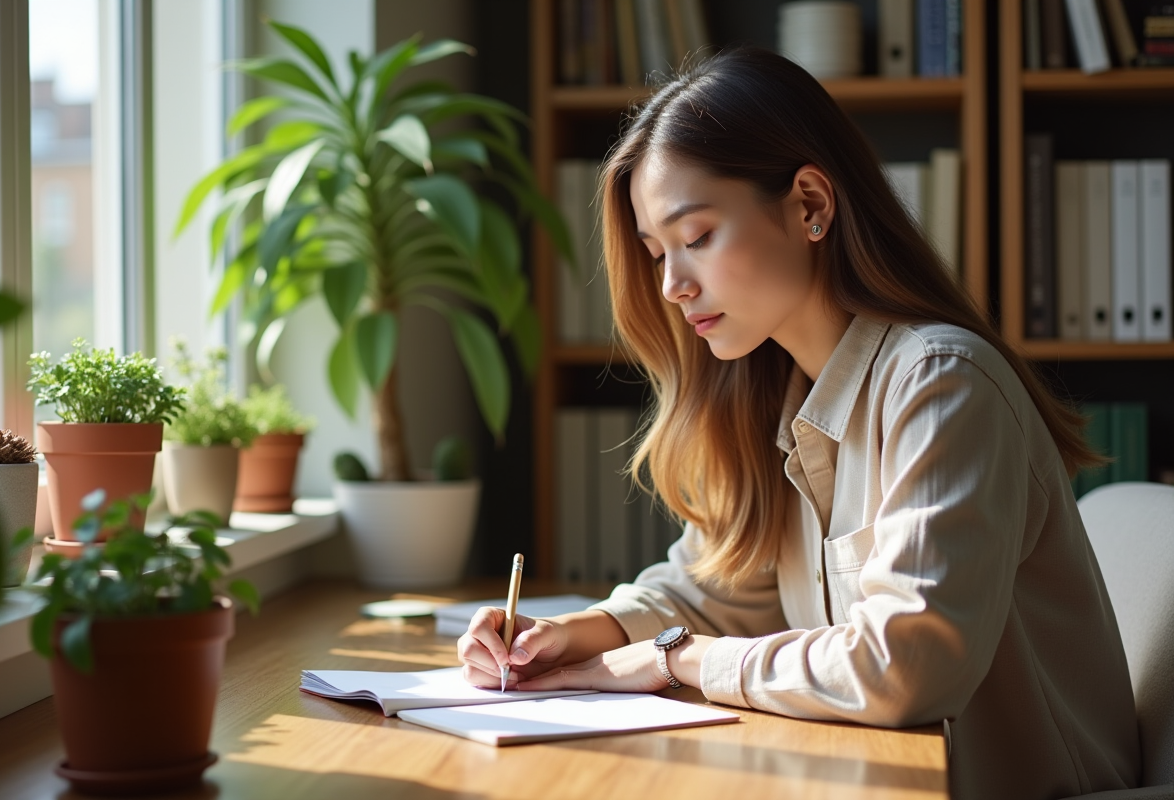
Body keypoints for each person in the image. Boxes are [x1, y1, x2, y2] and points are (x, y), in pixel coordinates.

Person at [457, 47, 1139, 800]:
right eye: (656, 254)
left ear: (810, 205)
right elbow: (712, 588)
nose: (673, 286)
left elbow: (907, 667)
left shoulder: (943, 383)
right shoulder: (772, 393)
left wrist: (674, 659)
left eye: (697, 237)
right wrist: (570, 638)